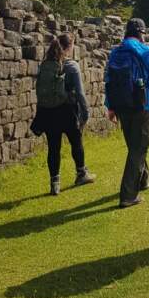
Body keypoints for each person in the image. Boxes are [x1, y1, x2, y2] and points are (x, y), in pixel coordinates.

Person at [105, 18, 149, 208]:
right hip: (142, 105)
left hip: (121, 106)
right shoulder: (146, 52)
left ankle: (143, 179)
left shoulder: (115, 52)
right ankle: (128, 195)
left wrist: (110, 106)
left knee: (135, 145)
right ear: (141, 33)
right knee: (139, 147)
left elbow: (109, 80)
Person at [31, 33, 96, 195]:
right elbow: (80, 93)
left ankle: (55, 183)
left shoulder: (45, 64)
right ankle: (81, 173)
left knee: (53, 148)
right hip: (67, 111)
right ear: (69, 47)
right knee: (76, 142)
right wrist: (85, 113)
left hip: (48, 112)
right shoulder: (71, 66)